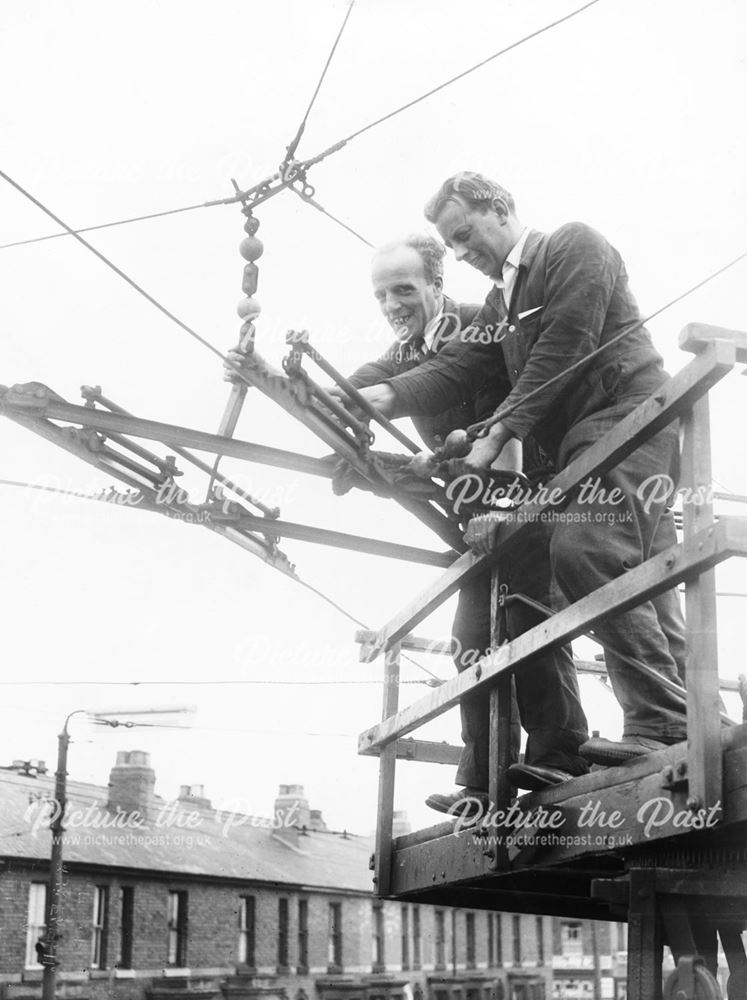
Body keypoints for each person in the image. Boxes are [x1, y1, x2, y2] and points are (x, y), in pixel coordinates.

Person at [354, 174, 689, 766]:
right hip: (588, 446)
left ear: (501, 208)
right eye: (450, 244)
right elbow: (456, 369)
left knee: (587, 552)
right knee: (652, 581)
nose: (460, 253)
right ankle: (693, 716)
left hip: (628, 419)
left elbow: (563, 353)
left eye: (463, 234)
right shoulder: (497, 302)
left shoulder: (573, 246)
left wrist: (498, 431)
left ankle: (662, 723)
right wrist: (362, 398)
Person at [339, 234, 589, 802]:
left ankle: (561, 754)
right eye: (381, 295)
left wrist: (498, 502)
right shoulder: (404, 354)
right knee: (471, 639)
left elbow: (511, 417)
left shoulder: (481, 327)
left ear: (436, 284)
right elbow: (350, 392)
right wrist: (279, 382)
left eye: (403, 290)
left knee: (530, 621)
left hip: (527, 497)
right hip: (476, 511)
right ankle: (483, 782)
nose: (392, 305)